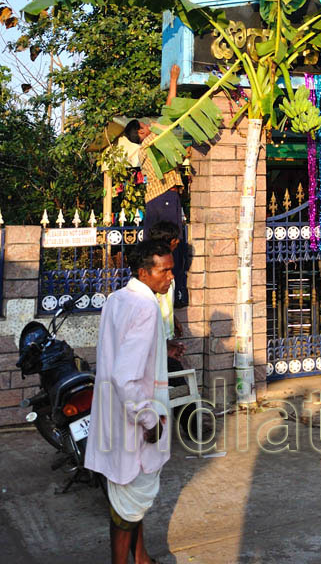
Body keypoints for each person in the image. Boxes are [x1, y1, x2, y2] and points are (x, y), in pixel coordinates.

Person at [86, 239, 173, 564]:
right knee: (128, 504)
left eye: (170, 269)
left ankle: (141, 557)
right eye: (163, 271)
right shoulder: (146, 307)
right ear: (143, 272)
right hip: (135, 421)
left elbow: (121, 355)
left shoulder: (117, 299)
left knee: (128, 499)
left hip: (113, 414)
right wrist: (150, 421)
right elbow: (126, 377)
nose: (170, 277)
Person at [121, 64, 187, 302]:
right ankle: (176, 291)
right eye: (144, 125)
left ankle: (150, 289)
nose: (148, 125)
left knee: (152, 247)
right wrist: (173, 79)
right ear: (141, 132)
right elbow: (170, 112)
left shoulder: (142, 153)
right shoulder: (152, 142)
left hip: (154, 200)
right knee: (172, 244)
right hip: (166, 197)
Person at [148, 221, 186, 371]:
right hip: (156, 339)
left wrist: (173, 319)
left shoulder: (167, 269)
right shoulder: (155, 272)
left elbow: (165, 301)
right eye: (175, 238)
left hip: (165, 335)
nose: (169, 276)